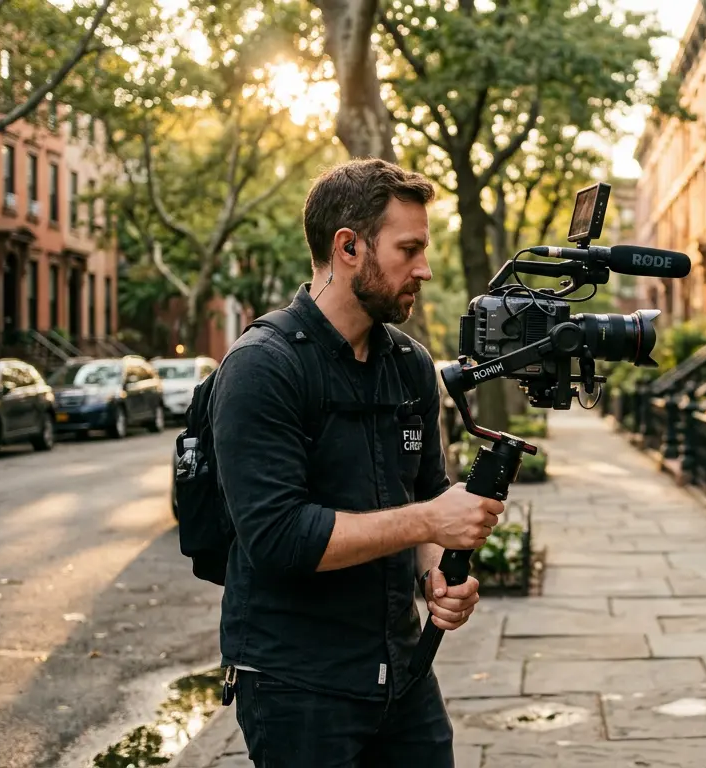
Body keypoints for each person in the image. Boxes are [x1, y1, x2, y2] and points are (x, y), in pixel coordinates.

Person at [208, 158, 504, 767]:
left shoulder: (411, 365)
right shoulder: (262, 366)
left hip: (403, 672)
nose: (424, 269)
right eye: (408, 250)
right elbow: (278, 537)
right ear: (348, 247)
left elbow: (426, 492)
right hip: (297, 687)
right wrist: (428, 522)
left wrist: (436, 574)